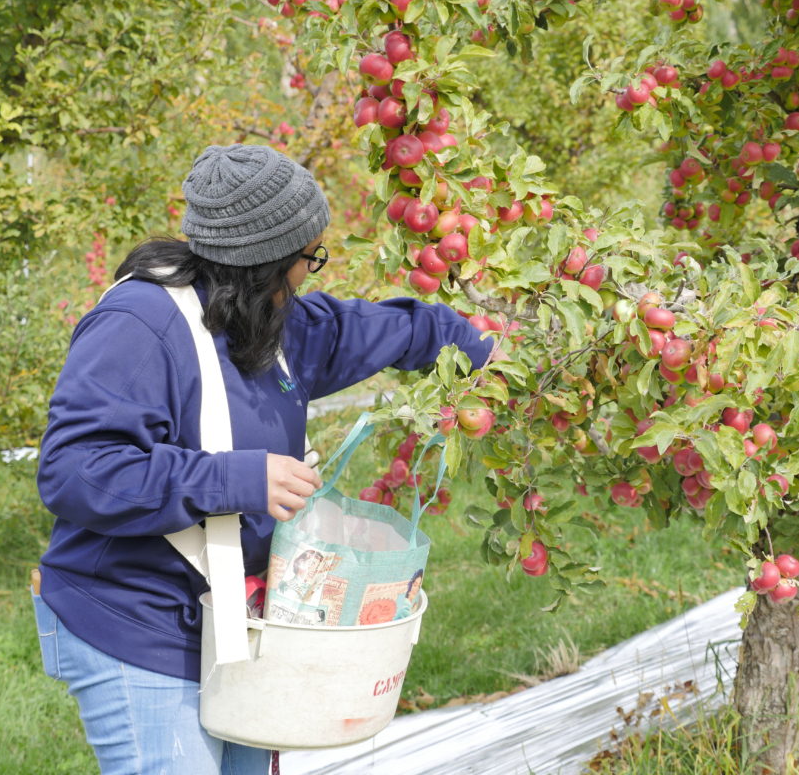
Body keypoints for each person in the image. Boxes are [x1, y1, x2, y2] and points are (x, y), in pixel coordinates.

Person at [32, 143, 498, 774]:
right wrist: (239, 478)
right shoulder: (139, 326)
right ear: (263, 262)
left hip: (239, 628)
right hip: (137, 618)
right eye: (309, 259)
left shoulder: (274, 322)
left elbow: (379, 330)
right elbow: (76, 471)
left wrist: (482, 348)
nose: (311, 273)